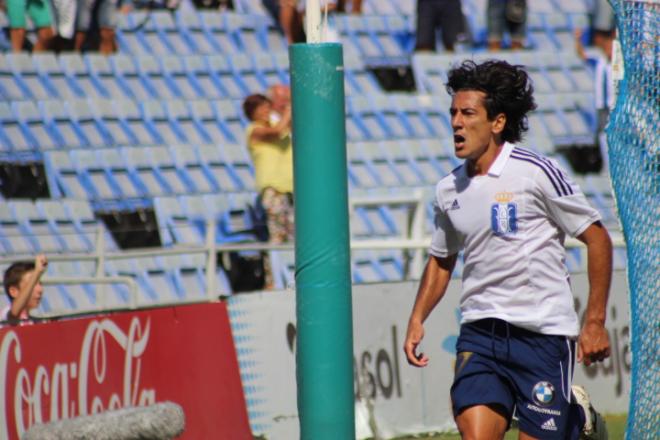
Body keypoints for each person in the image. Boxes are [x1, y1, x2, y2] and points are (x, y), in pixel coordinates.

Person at [403, 60, 611, 439]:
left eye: (468, 113)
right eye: (453, 113)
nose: (456, 122)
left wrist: (594, 321)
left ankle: (576, 418)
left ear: (497, 123)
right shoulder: (448, 190)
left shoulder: (535, 172)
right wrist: (418, 318)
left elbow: (597, 237)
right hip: (481, 333)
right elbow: (441, 258)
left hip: (542, 337)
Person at [242, 93, 294, 245]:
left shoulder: (279, 126)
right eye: (261, 108)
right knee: (278, 235)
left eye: (267, 107)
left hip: (290, 188)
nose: (266, 111)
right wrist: (288, 110)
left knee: (293, 235)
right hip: (274, 189)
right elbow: (277, 132)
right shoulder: (255, 130)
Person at [2, 254, 48, 325]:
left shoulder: (36, 322)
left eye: (40, 283)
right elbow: (14, 314)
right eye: (32, 284)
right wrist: (37, 272)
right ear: (13, 292)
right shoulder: (5, 315)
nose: (40, 290)